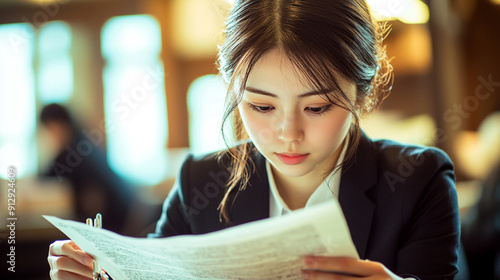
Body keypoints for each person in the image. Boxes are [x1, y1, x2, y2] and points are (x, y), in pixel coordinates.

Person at [47, 0, 460, 279]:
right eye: (261, 107)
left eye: (317, 108)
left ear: (362, 93)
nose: (288, 134)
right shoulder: (200, 185)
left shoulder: (416, 182)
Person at [40, 103, 134, 234]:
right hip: (128, 208)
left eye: (48, 129)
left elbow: (43, 181)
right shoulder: (85, 142)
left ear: (55, 125)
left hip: (114, 220)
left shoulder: (71, 152)